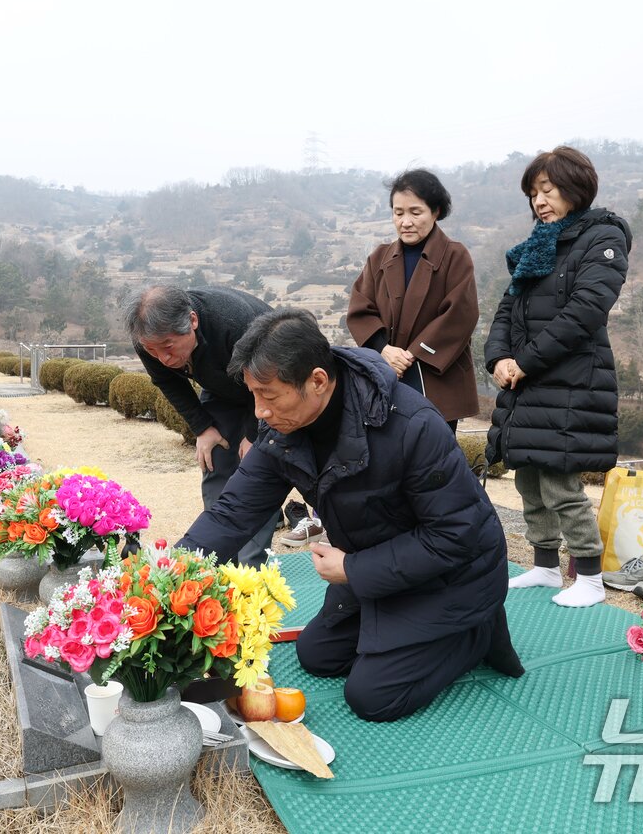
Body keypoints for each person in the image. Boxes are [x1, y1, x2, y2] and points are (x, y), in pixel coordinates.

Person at [178, 309, 525, 721]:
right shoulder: (283, 431)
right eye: (254, 395)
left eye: (269, 396)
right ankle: (397, 629)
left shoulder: (412, 426)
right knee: (316, 655)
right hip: (379, 564)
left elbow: (455, 536)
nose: (259, 412)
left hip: (455, 576)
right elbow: (233, 511)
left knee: (372, 697)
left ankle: (476, 633)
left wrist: (355, 569)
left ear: (318, 381)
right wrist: (170, 573)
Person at [483, 146, 633, 609]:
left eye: (547, 191)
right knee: (528, 477)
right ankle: (546, 566)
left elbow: (585, 311)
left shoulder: (602, 236)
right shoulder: (539, 243)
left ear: (575, 188)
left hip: (571, 381)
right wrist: (499, 359)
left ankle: (588, 575)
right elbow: (508, 310)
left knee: (561, 484)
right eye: (533, 194)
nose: (539, 202)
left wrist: (525, 361)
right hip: (528, 383)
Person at [127, 285, 278, 567]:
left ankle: (253, 570)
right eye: (153, 351)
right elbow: (168, 381)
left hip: (270, 384)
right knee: (216, 458)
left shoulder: (235, 322)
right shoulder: (148, 339)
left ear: (193, 321)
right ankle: (217, 563)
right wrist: (202, 427)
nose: (164, 359)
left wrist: (253, 434)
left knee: (259, 468)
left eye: (169, 347)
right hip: (222, 385)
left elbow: (266, 384)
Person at [347, 169, 480, 433]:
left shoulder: (455, 255)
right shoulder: (380, 257)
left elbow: (459, 315)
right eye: (398, 213)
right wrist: (384, 349)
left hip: (435, 379)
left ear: (436, 212)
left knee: (433, 461)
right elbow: (360, 308)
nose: (405, 221)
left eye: (415, 212)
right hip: (387, 374)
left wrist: (411, 355)